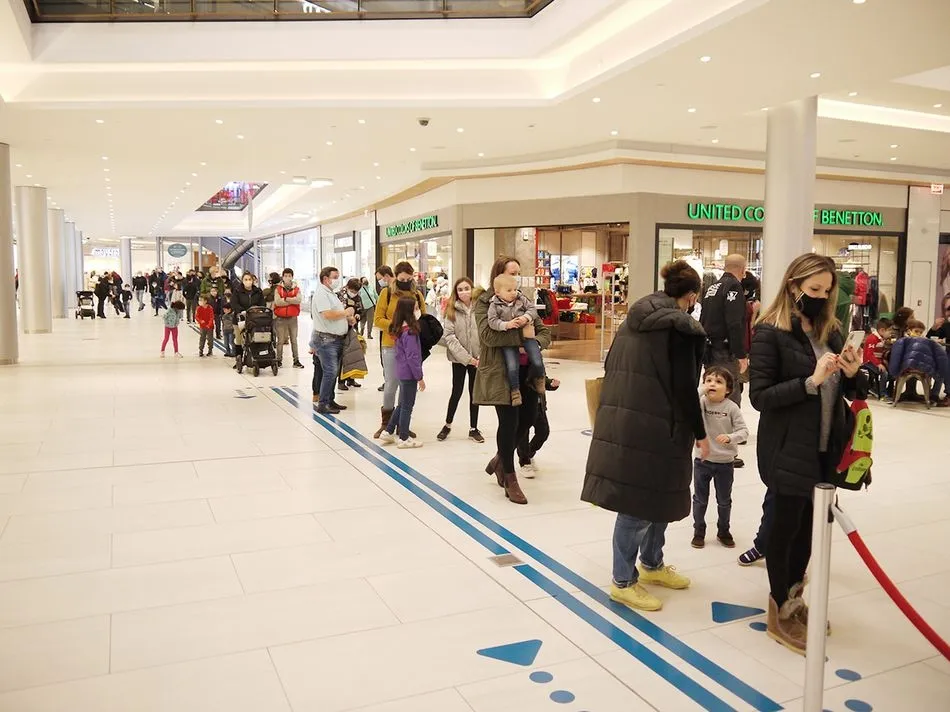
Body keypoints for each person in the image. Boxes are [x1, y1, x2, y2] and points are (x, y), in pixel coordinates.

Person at [750, 253, 866, 654]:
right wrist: (809, 381)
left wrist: (852, 375)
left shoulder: (829, 330)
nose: (820, 296)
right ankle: (779, 607)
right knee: (785, 530)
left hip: (825, 447)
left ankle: (795, 598)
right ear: (793, 285)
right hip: (787, 448)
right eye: (813, 289)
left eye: (826, 290)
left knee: (811, 532)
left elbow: (846, 395)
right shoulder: (770, 331)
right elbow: (760, 397)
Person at [581, 260, 707, 612]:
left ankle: (651, 564)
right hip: (657, 423)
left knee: (656, 496)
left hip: (628, 418)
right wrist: (701, 433)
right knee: (637, 504)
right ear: (691, 296)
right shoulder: (680, 328)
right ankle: (623, 581)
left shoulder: (635, 318)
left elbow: (610, 366)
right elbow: (684, 387)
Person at [474, 257, 551, 506]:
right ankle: (510, 478)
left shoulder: (521, 299)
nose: (517, 279)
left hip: (528, 371)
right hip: (502, 372)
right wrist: (522, 334)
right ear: (500, 275)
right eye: (512, 273)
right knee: (508, 423)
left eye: (519, 273)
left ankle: (499, 459)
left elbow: (544, 331)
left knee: (528, 419)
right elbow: (488, 336)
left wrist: (535, 342)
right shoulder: (486, 301)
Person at [691, 366, 748, 550]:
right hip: (702, 461)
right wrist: (701, 389)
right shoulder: (700, 403)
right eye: (708, 380)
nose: (712, 384)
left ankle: (724, 530)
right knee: (700, 499)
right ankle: (699, 531)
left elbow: (744, 432)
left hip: (724, 464)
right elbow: (690, 400)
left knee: (724, 500)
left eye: (718, 382)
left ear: (729, 389)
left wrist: (730, 438)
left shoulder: (731, 408)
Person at [374, 262, 426, 437]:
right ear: (395, 276)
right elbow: (378, 319)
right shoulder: (387, 293)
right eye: (401, 278)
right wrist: (398, 326)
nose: (405, 281)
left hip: (411, 344)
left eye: (408, 278)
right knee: (391, 385)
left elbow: (423, 319)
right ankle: (386, 422)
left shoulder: (417, 294)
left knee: (407, 385)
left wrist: (412, 327)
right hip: (390, 344)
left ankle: (400, 424)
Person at [487, 273, 546, 406]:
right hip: (508, 340)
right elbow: (492, 322)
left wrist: (525, 318)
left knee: (537, 360)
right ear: (497, 292)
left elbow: (532, 310)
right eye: (509, 290)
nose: (513, 293)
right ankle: (515, 390)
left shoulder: (521, 298)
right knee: (512, 366)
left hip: (526, 336)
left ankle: (539, 378)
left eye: (514, 289)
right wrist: (506, 325)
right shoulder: (494, 305)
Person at [438, 277, 484, 443]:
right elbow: (449, 337)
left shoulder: (480, 309)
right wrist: (467, 358)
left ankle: (473, 428)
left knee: (474, 393)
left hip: (478, 359)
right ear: (455, 292)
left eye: (467, 288)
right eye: (460, 289)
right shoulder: (451, 310)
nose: (464, 292)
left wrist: (479, 356)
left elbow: (485, 333)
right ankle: (447, 424)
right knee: (456, 391)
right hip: (459, 360)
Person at [700, 254, 749, 406]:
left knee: (712, 391)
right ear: (742, 270)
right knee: (729, 395)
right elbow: (734, 323)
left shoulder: (711, 288)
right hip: (724, 351)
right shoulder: (734, 287)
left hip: (709, 349)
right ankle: (730, 429)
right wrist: (740, 354)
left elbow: (703, 317)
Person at [378, 297, 426, 449]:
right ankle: (404, 437)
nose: (418, 311)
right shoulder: (410, 332)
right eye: (416, 308)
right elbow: (413, 357)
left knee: (402, 404)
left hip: (401, 371)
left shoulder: (399, 330)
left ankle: (388, 430)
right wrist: (420, 377)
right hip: (409, 373)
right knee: (407, 405)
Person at [311, 266, 355, 414]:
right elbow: (327, 315)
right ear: (325, 279)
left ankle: (330, 400)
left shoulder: (330, 293)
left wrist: (347, 320)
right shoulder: (322, 294)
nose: (337, 280)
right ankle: (323, 404)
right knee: (330, 372)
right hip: (326, 340)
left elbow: (334, 315)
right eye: (335, 277)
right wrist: (346, 312)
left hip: (334, 339)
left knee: (333, 371)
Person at [889, 319, 950, 407]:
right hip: (911, 367)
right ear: (909, 331)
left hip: (918, 367)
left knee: (940, 371)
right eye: (916, 331)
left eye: (920, 332)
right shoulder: (905, 341)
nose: (918, 334)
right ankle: (933, 396)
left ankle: (933, 395)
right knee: (940, 371)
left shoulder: (909, 341)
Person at [517, 376, 560, 476]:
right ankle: (524, 462)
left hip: (539, 405)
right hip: (523, 403)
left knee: (543, 431)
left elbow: (541, 378)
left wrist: (550, 383)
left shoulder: (537, 361)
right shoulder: (519, 363)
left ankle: (529, 453)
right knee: (523, 433)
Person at [231, 272, 265, 369]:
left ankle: (255, 357)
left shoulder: (258, 291)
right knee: (239, 339)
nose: (248, 282)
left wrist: (257, 309)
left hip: (254, 319)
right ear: (242, 281)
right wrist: (242, 310)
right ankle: (239, 359)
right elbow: (234, 303)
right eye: (245, 280)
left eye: (249, 279)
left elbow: (262, 303)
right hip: (240, 319)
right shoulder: (237, 291)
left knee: (253, 338)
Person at [274, 268, 305, 369]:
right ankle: (278, 360)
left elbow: (299, 300)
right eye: (285, 276)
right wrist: (292, 300)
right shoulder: (278, 289)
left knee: (294, 340)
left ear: (292, 277)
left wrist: (286, 299)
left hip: (293, 318)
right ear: (282, 277)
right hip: (280, 318)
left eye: (289, 276)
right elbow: (277, 302)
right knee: (280, 341)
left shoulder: (296, 289)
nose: (287, 278)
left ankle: (296, 361)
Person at [337, 278, 365, 391]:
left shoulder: (358, 297)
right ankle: (341, 381)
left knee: (353, 354)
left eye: (356, 291)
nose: (354, 293)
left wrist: (358, 315)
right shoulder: (340, 296)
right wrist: (348, 317)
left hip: (353, 329)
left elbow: (360, 310)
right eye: (352, 291)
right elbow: (338, 312)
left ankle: (351, 378)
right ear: (348, 287)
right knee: (343, 356)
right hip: (342, 329)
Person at [374, 266, 395, 391]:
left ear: (386, 276)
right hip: (388, 332)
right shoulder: (385, 292)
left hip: (390, 334)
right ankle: (389, 381)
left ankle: (390, 382)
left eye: (380, 278)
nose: (379, 282)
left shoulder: (387, 292)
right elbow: (378, 319)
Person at [862, 318, 894, 400]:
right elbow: (869, 354)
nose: (890, 334)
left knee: (891, 373)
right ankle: (882, 393)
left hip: (877, 361)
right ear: (882, 330)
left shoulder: (881, 339)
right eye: (889, 331)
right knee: (884, 373)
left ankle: (875, 388)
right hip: (869, 362)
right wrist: (878, 364)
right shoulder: (872, 338)